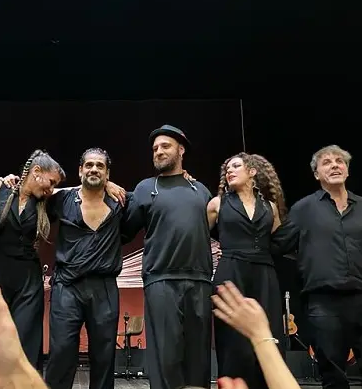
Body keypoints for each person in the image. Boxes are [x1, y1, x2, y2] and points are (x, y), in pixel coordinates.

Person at [274, 144, 362, 389]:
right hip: (323, 303)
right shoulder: (303, 209)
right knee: (333, 377)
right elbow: (277, 244)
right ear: (317, 174)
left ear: (347, 170)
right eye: (326, 162)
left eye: (340, 161)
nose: (335, 165)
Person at [0, 149, 67, 370]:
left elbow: (80, 191)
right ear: (36, 171)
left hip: (28, 280)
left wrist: (108, 185)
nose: (51, 188)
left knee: (25, 340)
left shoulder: (46, 201)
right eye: (51, 182)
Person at [122, 124, 214, 389]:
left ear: (181, 150)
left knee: (198, 359)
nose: (158, 152)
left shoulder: (201, 190)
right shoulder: (145, 188)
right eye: (154, 149)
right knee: (165, 357)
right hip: (161, 280)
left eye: (165, 146)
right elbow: (124, 232)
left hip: (199, 281)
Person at [43, 147, 131, 389]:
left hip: (104, 288)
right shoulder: (61, 199)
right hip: (67, 287)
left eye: (100, 166)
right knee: (61, 352)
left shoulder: (122, 202)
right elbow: (35, 193)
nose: (94, 169)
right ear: (80, 170)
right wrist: (6, 180)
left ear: (107, 173)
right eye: (89, 165)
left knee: (104, 357)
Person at [206, 153, 289, 389]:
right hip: (231, 272)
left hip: (264, 275)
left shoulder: (270, 208)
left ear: (252, 172)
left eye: (235, 166)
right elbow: (199, 237)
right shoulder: (217, 204)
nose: (229, 171)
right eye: (227, 168)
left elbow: (277, 242)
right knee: (232, 341)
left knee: (269, 335)